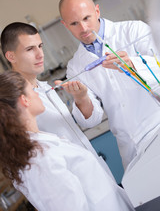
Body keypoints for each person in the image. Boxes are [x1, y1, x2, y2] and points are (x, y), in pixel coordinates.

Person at [0, 70, 135, 211]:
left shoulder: (43, 145)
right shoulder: (41, 160)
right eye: (32, 89)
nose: (36, 93)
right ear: (25, 100)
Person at [59, 0, 160, 169]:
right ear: (65, 25)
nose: (83, 28)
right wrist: (81, 98)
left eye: (86, 18)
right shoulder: (75, 66)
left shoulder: (134, 30)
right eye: (74, 23)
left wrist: (132, 64)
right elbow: (91, 121)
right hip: (131, 151)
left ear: (97, 11)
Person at [0, 22, 114, 178]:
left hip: (93, 169)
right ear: (11, 56)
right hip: (67, 180)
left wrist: (81, 98)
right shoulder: (15, 103)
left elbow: (89, 122)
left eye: (40, 46)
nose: (40, 54)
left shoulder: (45, 88)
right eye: (30, 49)